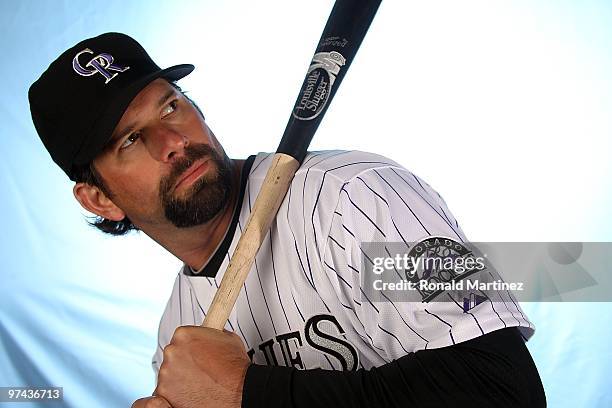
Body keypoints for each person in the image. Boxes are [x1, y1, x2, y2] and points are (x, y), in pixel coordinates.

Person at [29, 32, 546, 407]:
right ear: (99, 200)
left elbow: (503, 391)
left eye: (170, 108)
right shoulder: (177, 335)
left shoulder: (355, 198)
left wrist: (249, 393)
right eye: (130, 140)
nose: (175, 142)